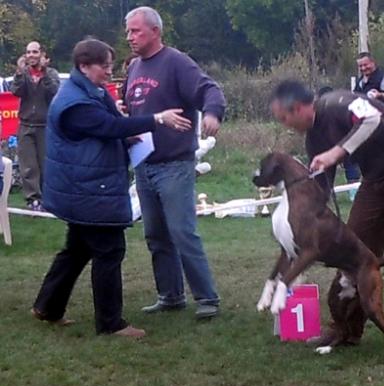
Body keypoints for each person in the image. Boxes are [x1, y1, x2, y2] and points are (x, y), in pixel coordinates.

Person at [270, 80, 384, 355]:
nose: (285, 124)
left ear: (299, 107)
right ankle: (346, 329)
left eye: (284, 118)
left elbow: (373, 118)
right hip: (375, 178)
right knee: (353, 244)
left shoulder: (338, 103)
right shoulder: (313, 138)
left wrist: (337, 152)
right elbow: (320, 188)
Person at [32, 38, 187, 337]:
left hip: (82, 188)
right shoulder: (75, 103)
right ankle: (110, 323)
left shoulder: (86, 91)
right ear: (83, 66)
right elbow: (108, 127)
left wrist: (121, 127)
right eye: (104, 66)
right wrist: (157, 119)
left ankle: (47, 307)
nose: (109, 71)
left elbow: (107, 125)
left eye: (110, 65)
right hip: (89, 189)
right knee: (109, 250)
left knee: (76, 249)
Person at [124, 6, 225, 319]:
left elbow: (210, 89)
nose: (130, 37)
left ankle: (207, 298)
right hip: (144, 164)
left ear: (156, 31)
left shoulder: (176, 62)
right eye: (128, 31)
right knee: (155, 233)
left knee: (182, 231)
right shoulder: (134, 67)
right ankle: (170, 295)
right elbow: (135, 110)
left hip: (174, 164)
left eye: (136, 31)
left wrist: (211, 113)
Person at [11, 41, 60, 211]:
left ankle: (49, 198)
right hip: (25, 124)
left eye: (34, 52)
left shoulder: (51, 73)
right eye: (28, 52)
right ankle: (33, 199)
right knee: (28, 165)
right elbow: (15, 91)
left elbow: (54, 92)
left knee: (46, 164)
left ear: (41, 54)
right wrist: (18, 72)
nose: (31, 55)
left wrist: (44, 73)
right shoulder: (23, 74)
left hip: (45, 125)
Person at [318, 85, 360, 200]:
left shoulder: (343, 108)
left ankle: (353, 192)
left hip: (346, 144)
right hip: (327, 147)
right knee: (326, 171)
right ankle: (327, 194)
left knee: (352, 167)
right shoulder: (317, 114)